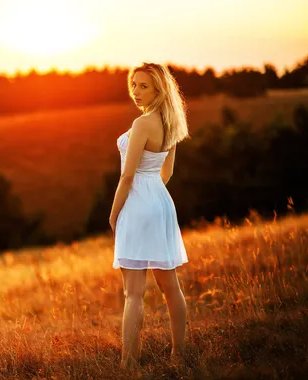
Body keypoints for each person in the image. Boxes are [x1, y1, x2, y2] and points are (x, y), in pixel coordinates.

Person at [108, 62, 190, 369]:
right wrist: (153, 196)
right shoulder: (171, 122)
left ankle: (129, 363)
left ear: (158, 88)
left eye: (144, 86)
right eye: (134, 85)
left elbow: (127, 177)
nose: (136, 92)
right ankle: (178, 356)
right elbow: (165, 172)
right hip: (160, 202)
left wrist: (115, 215)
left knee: (134, 293)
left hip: (137, 204)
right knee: (171, 287)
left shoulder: (142, 124)